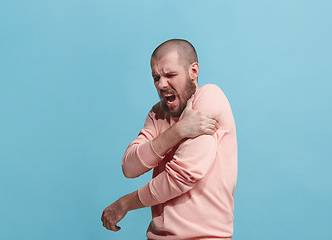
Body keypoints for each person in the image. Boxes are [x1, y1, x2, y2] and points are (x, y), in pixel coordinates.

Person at [101, 39, 238, 239]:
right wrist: (178, 131)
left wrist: (124, 204)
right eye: (156, 77)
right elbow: (129, 167)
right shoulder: (158, 114)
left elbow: (181, 176)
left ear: (193, 71)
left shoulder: (210, 97)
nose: (161, 84)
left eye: (170, 75)